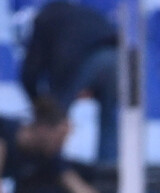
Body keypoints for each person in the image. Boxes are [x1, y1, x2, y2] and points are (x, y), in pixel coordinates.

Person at [20, 0, 118, 163]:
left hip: (83, 60)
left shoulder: (45, 18)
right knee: (109, 117)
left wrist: (40, 103)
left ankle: (49, 163)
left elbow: (31, 68)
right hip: (116, 57)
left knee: (56, 112)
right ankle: (107, 168)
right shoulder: (83, 13)